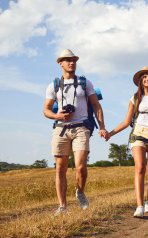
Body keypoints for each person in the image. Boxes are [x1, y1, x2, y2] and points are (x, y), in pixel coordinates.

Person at [43, 49, 107, 215]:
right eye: (67, 60)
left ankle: (80, 192)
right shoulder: (54, 85)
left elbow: (96, 105)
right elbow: (46, 110)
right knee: (60, 168)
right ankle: (62, 206)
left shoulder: (85, 83)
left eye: (73, 60)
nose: (71, 63)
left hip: (81, 127)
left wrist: (102, 126)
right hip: (60, 128)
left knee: (80, 167)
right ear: (60, 63)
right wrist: (57, 115)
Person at [105, 66, 148, 218]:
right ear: (140, 80)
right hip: (138, 133)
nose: (147, 79)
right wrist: (111, 133)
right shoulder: (134, 98)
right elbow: (126, 121)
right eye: (144, 76)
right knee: (140, 167)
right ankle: (139, 205)